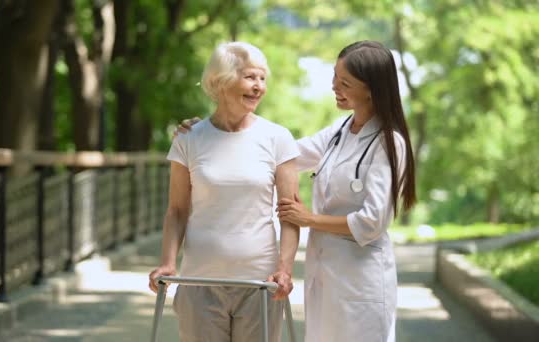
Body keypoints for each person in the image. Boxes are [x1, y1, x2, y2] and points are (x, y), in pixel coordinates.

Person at [176, 40, 416, 342]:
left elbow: (371, 222)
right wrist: (209, 133)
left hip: (362, 281)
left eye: (345, 83)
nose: (334, 87)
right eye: (334, 77)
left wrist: (308, 219)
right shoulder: (339, 132)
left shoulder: (389, 143)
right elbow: (272, 155)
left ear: (371, 89)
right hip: (325, 276)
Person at [148, 41, 300, 342]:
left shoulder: (277, 138)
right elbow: (177, 210)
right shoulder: (189, 139)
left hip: (260, 282)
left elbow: (290, 212)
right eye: (250, 77)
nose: (259, 86)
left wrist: (285, 269)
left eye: (262, 78)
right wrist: (167, 262)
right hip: (200, 279)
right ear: (221, 80)